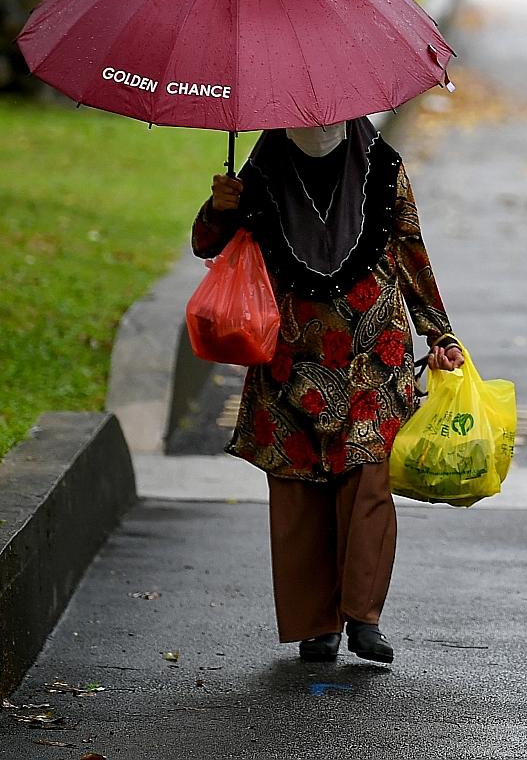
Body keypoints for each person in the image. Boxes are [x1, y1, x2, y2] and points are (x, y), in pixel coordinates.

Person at [192, 117, 463, 665]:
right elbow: (208, 244)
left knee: (367, 479)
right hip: (291, 353)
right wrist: (220, 206)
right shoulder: (263, 169)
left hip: (372, 350)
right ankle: (316, 625)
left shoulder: (384, 168)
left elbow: (411, 250)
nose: (316, 126)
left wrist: (439, 331)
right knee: (298, 487)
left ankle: (363, 618)